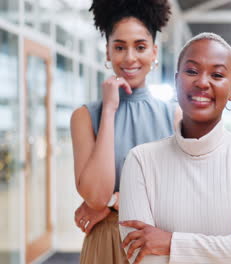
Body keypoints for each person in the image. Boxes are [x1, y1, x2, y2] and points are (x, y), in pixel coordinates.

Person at [118, 32, 231, 264]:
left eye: (217, 75)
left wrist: (170, 243)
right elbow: (142, 257)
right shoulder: (141, 160)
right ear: (176, 80)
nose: (202, 82)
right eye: (192, 71)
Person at [70, 0, 176, 263]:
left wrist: (112, 202)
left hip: (157, 240)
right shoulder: (85, 116)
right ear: (107, 52)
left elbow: (176, 193)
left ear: (154, 51)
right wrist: (108, 111)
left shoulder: (174, 116)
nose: (130, 57)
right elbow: (95, 195)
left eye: (140, 47)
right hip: (105, 244)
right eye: (119, 47)